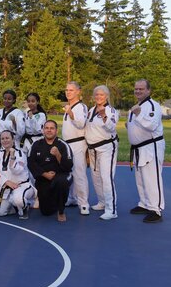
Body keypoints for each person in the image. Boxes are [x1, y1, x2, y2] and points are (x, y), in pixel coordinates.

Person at [127, 79, 165, 223]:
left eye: (141, 89)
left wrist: (137, 115)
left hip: (151, 147)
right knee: (141, 179)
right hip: (138, 148)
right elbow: (138, 125)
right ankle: (145, 203)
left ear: (148, 90)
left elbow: (152, 125)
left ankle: (156, 209)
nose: (137, 91)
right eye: (136, 89)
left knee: (152, 178)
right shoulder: (138, 106)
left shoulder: (152, 105)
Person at [27, 120, 73, 222]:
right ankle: (52, 200)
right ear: (43, 130)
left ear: (56, 131)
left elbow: (69, 166)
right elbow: (31, 163)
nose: (49, 130)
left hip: (61, 175)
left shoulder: (63, 145)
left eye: (52, 128)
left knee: (62, 183)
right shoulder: (36, 144)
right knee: (46, 212)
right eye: (46, 128)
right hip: (44, 177)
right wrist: (44, 174)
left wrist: (58, 155)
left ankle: (61, 211)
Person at [85, 85, 119, 221]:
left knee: (106, 177)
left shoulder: (111, 110)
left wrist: (104, 115)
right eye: (97, 94)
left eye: (102, 94)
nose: (99, 97)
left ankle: (112, 209)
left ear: (107, 96)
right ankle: (102, 202)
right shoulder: (91, 110)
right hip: (92, 149)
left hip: (106, 148)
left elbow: (111, 127)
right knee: (96, 177)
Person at [0, 130, 35, 219]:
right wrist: (7, 182)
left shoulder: (20, 153)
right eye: (2, 139)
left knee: (18, 199)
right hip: (6, 187)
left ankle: (24, 206)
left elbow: (17, 171)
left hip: (21, 186)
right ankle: (14, 205)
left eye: (7, 138)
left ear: (13, 139)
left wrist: (12, 157)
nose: (5, 140)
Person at [62, 81, 90, 215]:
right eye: (67, 90)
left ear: (78, 91)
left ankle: (83, 203)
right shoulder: (69, 107)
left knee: (79, 173)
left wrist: (71, 114)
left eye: (71, 90)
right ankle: (72, 198)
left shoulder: (81, 107)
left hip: (78, 143)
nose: (68, 92)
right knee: (69, 173)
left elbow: (81, 123)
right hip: (67, 144)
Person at [0, 89, 25, 153]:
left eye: (9, 99)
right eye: (5, 98)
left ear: (14, 100)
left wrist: (14, 122)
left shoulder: (18, 113)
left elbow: (21, 132)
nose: (6, 101)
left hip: (11, 143)